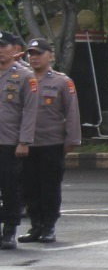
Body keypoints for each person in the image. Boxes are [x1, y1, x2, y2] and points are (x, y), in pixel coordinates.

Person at [20, 38, 78, 243]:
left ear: (50, 56)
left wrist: (72, 139)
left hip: (51, 142)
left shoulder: (62, 81)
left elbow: (71, 113)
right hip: (26, 143)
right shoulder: (22, 78)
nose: (34, 57)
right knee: (29, 187)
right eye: (31, 54)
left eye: (39, 53)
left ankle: (49, 226)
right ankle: (36, 225)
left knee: (49, 186)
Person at [0, 32, 37, 249]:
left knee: (10, 187)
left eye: (5, 46)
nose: (1, 50)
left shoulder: (24, 76)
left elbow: (30, 111)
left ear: (15, 49)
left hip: (9, 141)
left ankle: (9, 230)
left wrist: (25, 141)